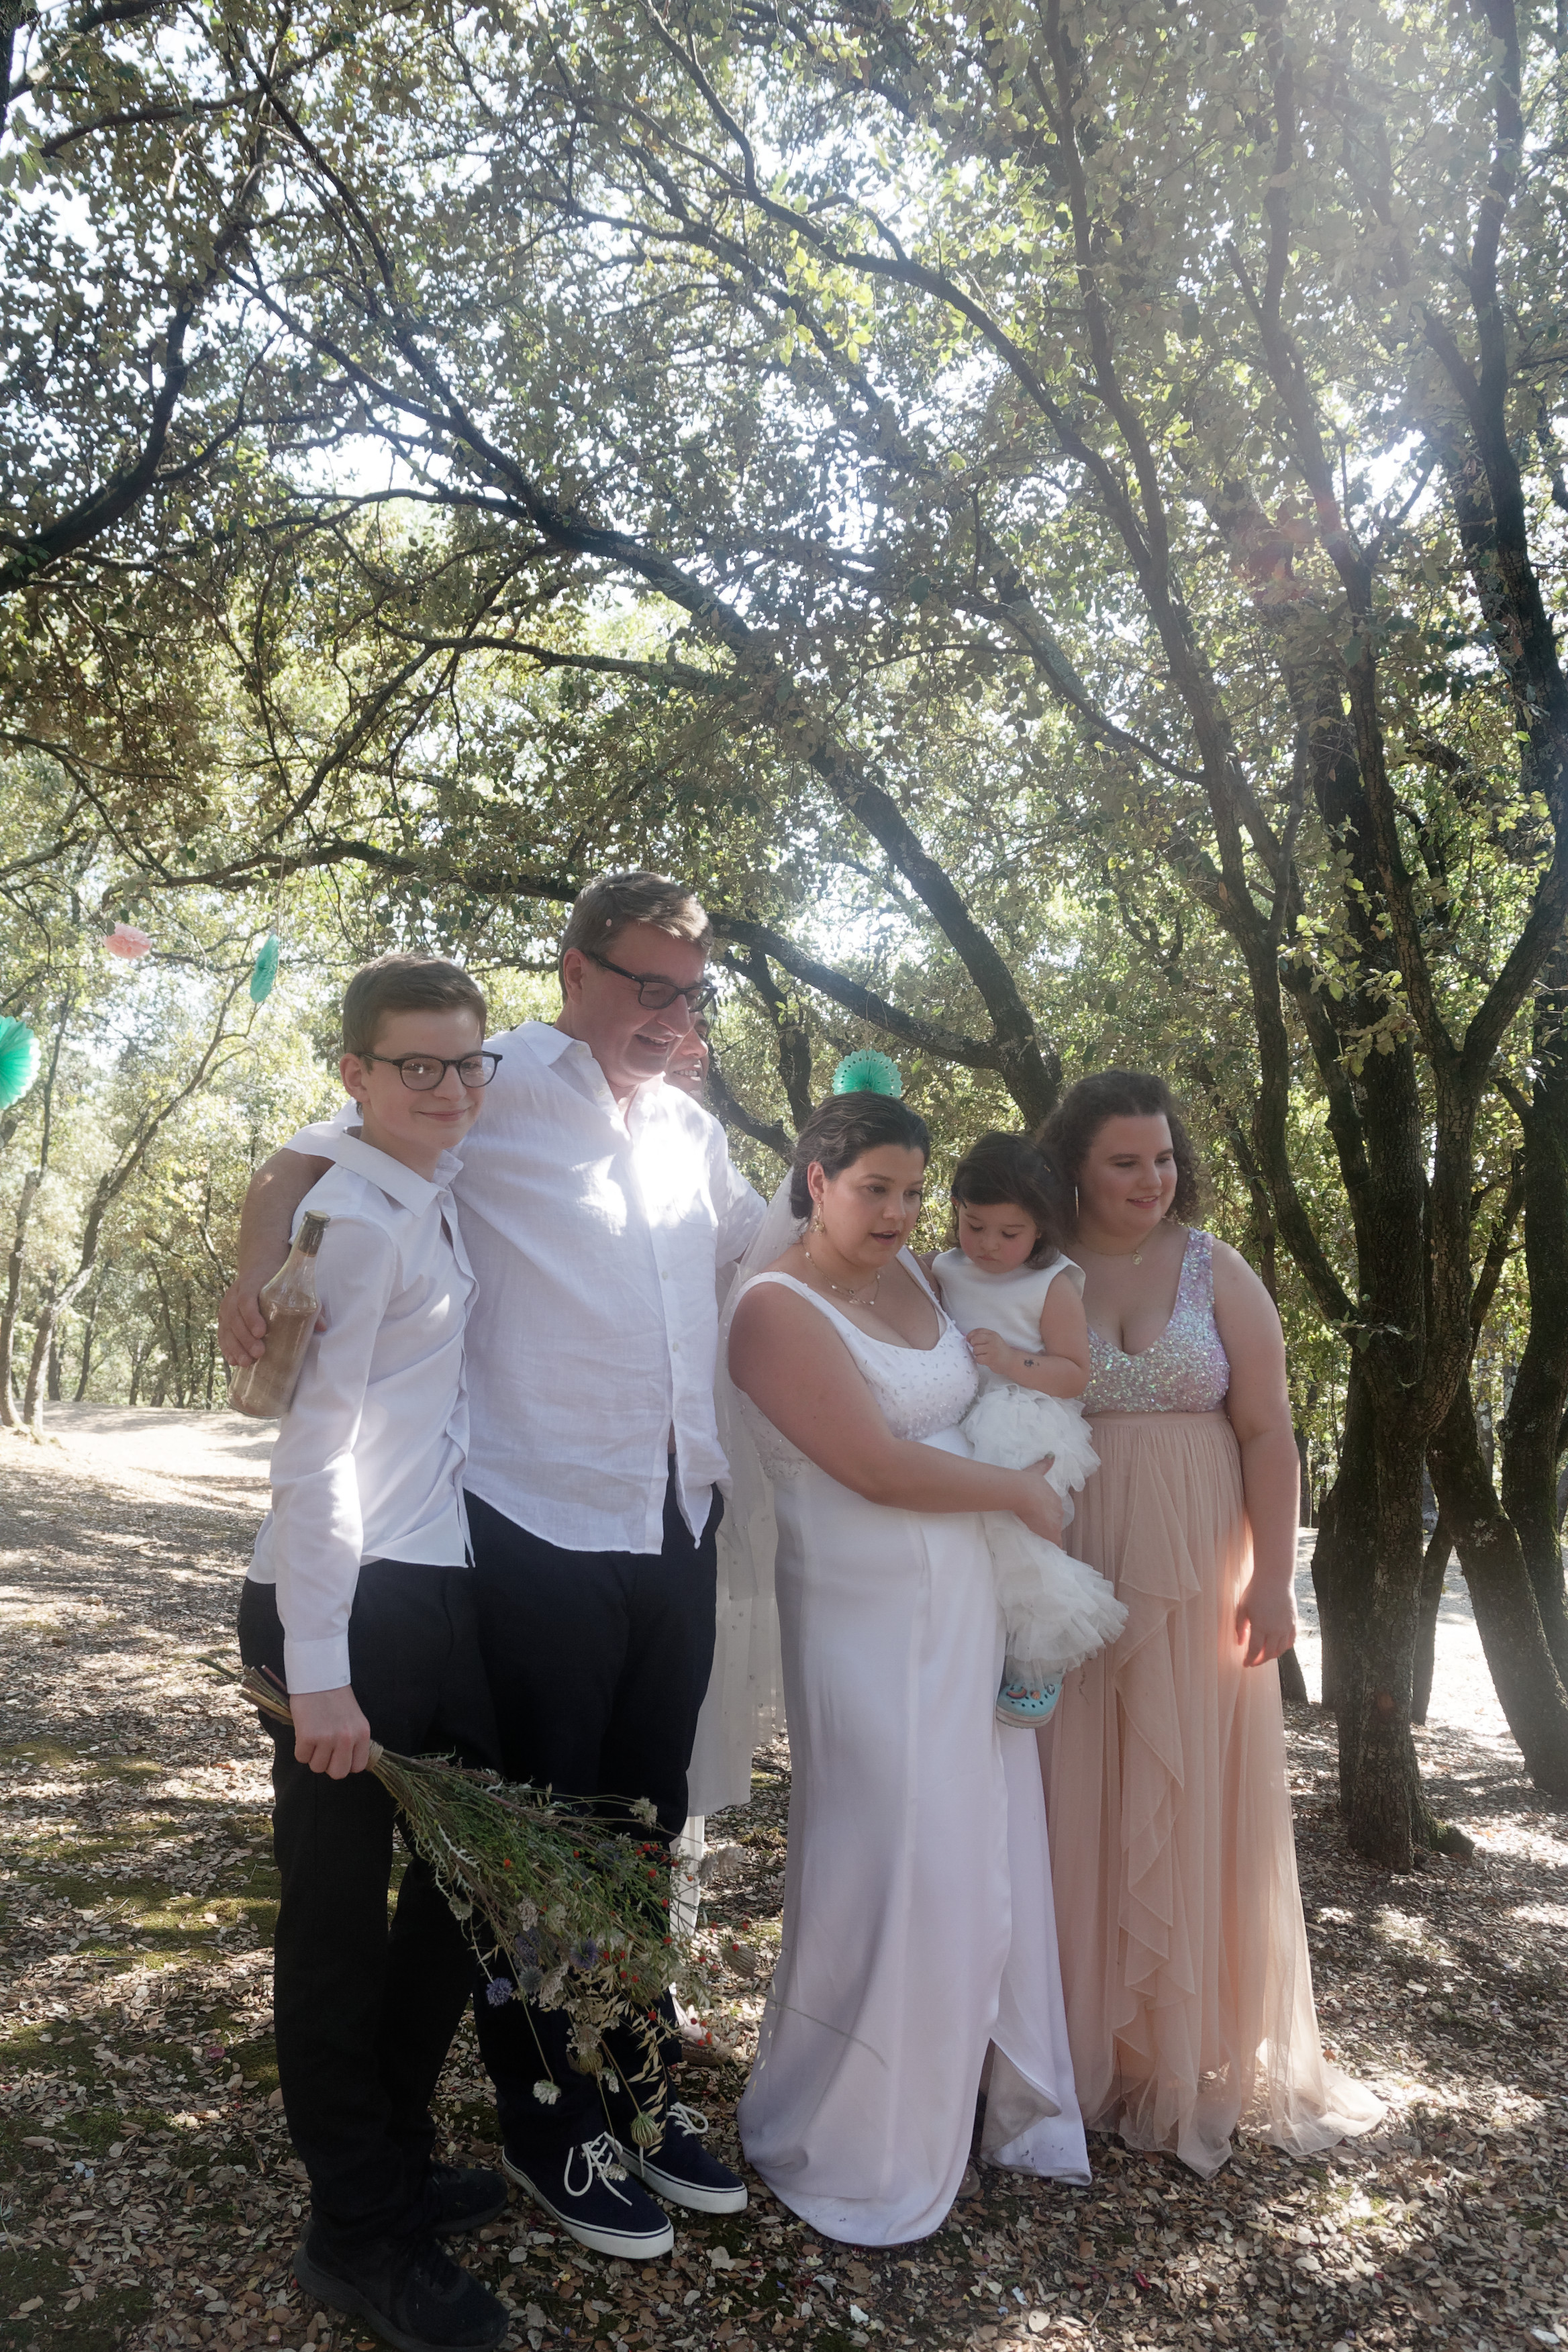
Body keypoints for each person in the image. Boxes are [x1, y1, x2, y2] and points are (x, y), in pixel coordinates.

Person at [221, 873, 763, 2261]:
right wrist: (260, 1250)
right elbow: (327, 1146)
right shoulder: (489, 1080)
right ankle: (543, 2113)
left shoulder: (692, 1130)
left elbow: (767, 1252)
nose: (669, 1014)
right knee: (539, 1842)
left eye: (689, 991)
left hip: (671, 1521)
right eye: (645, 984)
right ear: (574, 971)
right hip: (529, 1527)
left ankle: (631, 2081)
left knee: (638, 1831)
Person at [726, 1085, 1090, 2245]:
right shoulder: (773, 1309)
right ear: (816, 1180)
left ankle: (964, 2094)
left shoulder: (919, 1279)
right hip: (864, 1621)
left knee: (975, 1848)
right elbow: (876, 1466)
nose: (896, 1213)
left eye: (913, 1192)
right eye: (874, 1188)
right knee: (889, 1855)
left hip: (967, 1606)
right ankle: (855, 2129)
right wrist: (1018, 1492)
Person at [1035, 1070, 1383, 2175]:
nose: (1152, 1178)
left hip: (1198, 1567)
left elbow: (1269, 1431)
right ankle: (1080, 2048)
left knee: (1184, 1789)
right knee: (1075, 1789)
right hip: (1075, 1563)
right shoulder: (1039, 1265)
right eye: (1125, 1161)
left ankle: (1181, 2052)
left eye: (1163, 1157)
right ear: (1076, 1165)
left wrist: (1275, 1581)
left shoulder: (1215, 1268)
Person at [238, 952, 509, 2352]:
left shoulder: (418, 1180)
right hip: (339, 1606)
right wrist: (320, 1668)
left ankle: (390, 2156)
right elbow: (314, 1457)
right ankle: (354, 2229)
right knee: (337, 1924)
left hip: (431, 1588)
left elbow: (304, 1143)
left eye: (469, 1062)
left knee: (464, 1891)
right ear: (358, 1073)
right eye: (419, 1065)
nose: (452, 1087)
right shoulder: (358, 1220)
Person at [929, 1130, 1124, 1727]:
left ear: (1040, 1228)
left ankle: (1040, 1655)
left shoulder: (1052, 1282)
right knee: (971, 1535)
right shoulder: (943, 1268)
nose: (988, 1244)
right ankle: (974, 1642)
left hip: (1025, 1414)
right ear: (956, 1210)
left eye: (1009, 1233)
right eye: (974, 1225)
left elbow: (1075, 1373)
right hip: (960, 1410)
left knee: (1020, 1532)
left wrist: (1014, 1361)